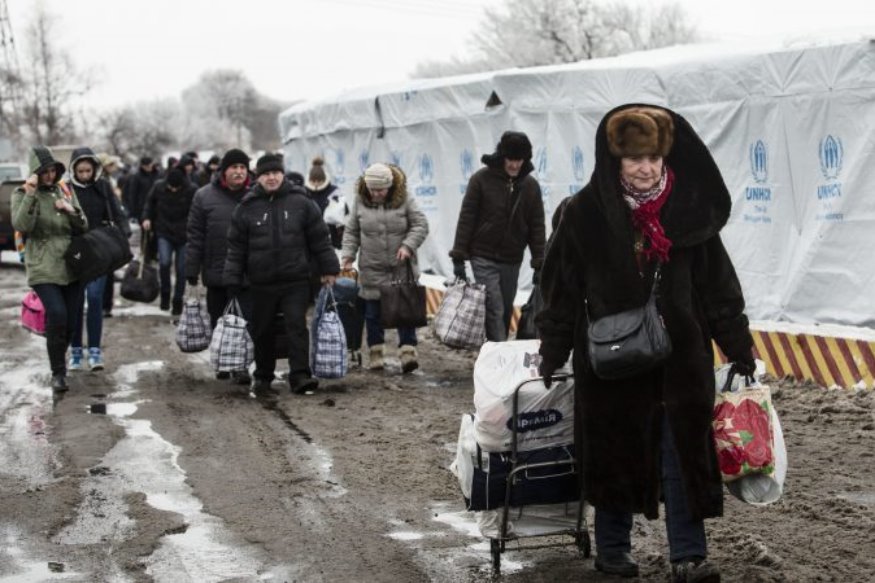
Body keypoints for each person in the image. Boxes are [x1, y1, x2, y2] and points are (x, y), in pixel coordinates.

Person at [536, 104, 756, 582]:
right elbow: (560, 289)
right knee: (616, 449)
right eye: (635, 158)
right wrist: (551, 350)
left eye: (654, 157)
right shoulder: (583, 214)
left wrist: (737, 343)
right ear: (615, 161)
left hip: (681, 358)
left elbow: (718, 286)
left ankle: (689, 557)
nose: (646, 167)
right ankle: (613, 551)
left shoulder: (688, 215)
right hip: (611, 360)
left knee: (684, 451)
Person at [224, 153, 339, 396]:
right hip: (261, 281)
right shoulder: (246, 207)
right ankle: (263, 376)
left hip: (295, 279)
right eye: (266, 174)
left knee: (296, 326)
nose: (272, 177)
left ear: (282, 174)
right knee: (262, 329)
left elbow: (320, 238)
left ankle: (300, 376)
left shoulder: (301, 202)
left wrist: (329, 268)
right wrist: (232, 278)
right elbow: (236, 248)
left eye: (275, 173)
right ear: (258, 178)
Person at [450, 131, 546, 341]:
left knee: (504, 308)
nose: (514, 165)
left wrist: (540, 263)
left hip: (511, 259)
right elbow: (467, 218)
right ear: (502, 156)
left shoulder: (530, 187)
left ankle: (492, 349)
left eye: (518, 160)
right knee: (495, 306)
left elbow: (537, 227)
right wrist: (459, 256)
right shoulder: (481, 180)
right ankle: (500, 355)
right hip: (482, 255)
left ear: (525, 160)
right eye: (510, 159)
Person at [11, 146, 88, 391]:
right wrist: (31, 193)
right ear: (35, 172)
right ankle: (58, 373)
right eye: (45, 171)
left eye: (53, 171)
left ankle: (58, 358)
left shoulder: (64, 190)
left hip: (70, 264)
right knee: (57, 314)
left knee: (71, 322)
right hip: (42, 265)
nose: (50, 175)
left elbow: (83, 224)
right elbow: (21, 224)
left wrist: (70, 209)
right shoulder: (21, 193)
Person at [341, 163, 429, 373]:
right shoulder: (360, 201)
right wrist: (348, 255)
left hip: (401, 267)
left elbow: (421, 225)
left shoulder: (405, 199)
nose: (376, 194)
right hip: (372, 267)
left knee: (404, 311)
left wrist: (408, 245)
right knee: (373, 314)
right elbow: (352, 231)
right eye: (372, 190)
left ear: (390, 187)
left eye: (380, 190)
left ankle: (408, 352)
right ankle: (376, 352)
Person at [185, 148, 253, 384]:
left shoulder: (255, 195)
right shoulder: (204, 196)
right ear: (224, 171)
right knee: (219, 317)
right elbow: (195, 235)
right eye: (234, 167)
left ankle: (242, 365)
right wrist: (191, 268)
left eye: (243, 167)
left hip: (248, 270)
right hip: (217, 268)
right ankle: (223, 361)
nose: (239, 172)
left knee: (245, 318)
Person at [67, 147, 130, 372]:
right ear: (73, 170)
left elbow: (117, 211)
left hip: (100, 251)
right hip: (76, 252)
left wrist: (124, 233)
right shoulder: (66, 189)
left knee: (95, 299)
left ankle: (94, 350)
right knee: (74, 303)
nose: (85, 175)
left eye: (88, 170)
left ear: (94, 169)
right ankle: (75, 351)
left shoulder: (103, 187)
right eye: (80, 171)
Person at [142, 168, 196, 316]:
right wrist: (146, 218)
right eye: (171, 187)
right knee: (164, 263)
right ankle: (165, 294)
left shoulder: (191, 190)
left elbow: (197, 211)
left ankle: (177, 300)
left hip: (184, 234)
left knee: (181, 270)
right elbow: (149, 203)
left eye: (176, 188)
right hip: (163, 231)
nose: (173, 190)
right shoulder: (158, 186)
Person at [304, 156, 347, 249]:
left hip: (331, 237)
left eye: (319, 181)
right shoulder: (304, 192)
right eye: (313, 181)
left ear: (324, 179)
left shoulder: (334, 192)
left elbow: (345, 213)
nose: (316, 184)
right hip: (309, 237)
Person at [122, 156, 158, 226]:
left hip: (156, 207)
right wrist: (133, 211)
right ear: (142, 166)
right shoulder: (136, 177)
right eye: (147, 166)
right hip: (142, 208)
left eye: (150, 165)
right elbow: (133, 194)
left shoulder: (157, 174)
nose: (149, 167)